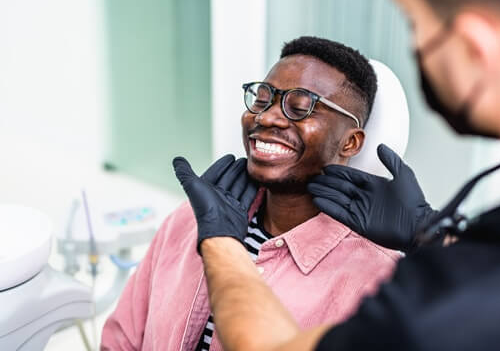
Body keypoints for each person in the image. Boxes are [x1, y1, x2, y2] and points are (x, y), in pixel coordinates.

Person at [174, 0, 500, 350]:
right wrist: (431, 231)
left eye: (415, 23)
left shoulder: (440, 304)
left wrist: (221, 241)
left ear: (475, 49)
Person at [100, 36, 405, 350]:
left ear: (350, 143)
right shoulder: (192, 219)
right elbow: (120, 341)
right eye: (261, 100)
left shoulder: (378, 282)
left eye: (300, 107)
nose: (266, 117)